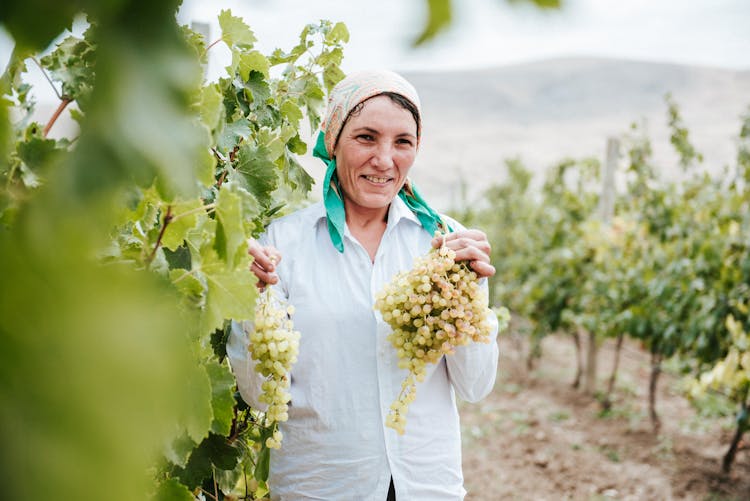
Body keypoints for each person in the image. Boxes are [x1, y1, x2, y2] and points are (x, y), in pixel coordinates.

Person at [227, 69, 499, 501]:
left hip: (426, 486)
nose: (385, 159)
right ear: (333, 142)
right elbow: (261, 395)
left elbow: (475, 385)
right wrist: (247, 300)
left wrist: (469, 298)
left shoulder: (447, 244)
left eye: (402, 142)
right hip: (320, 486)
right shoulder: (283, 245)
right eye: (366, 138)